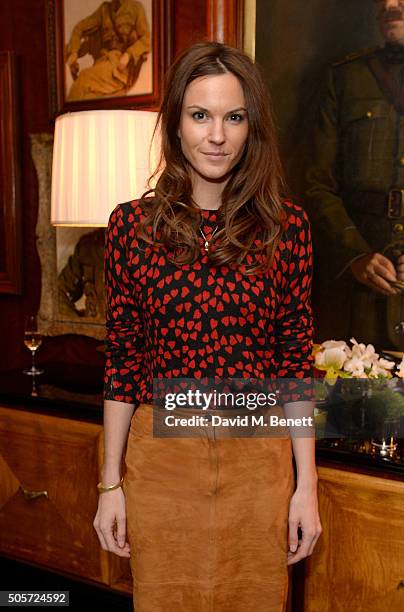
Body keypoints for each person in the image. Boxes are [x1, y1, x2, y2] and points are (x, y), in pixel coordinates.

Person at [93, 41, 322, 612]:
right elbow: (122, 363)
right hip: (162, 464)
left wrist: (307, 489)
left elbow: (294, 365)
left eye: (233, 117)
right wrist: (109, 485)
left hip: (257, 467)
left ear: (252, 128)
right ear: (174, 125)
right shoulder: (131, 226)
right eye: (200, 115)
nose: (216, 135)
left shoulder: (286, 227)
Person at [305, 0, 404, 350]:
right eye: (385, 0)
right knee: (364, 401)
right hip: (361, 293)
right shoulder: (346, 78)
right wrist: (356, 254)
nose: (392, 6)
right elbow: (318, 185)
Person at [65, 0, 151, 101]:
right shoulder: (104, 9)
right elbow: (79, 28)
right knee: (87, 99)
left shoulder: (135, 7)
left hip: (120, 68)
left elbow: (147, 39)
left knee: (83, 80)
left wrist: (129, 54)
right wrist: (74, 52)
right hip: (102, 63)